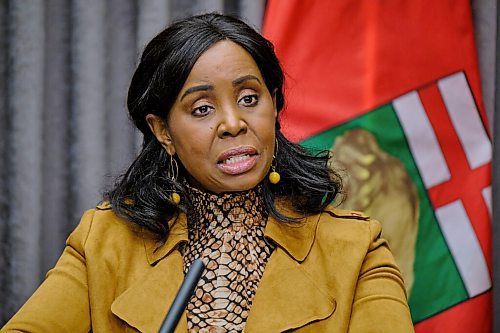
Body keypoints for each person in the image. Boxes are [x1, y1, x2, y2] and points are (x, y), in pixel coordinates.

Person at [2, 13, 414, 333]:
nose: (233, 123)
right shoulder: (104, 243)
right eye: (202, 108)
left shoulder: (357, 249)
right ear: (162, 130)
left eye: (249, 98)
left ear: (274, 105)